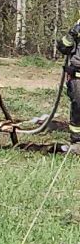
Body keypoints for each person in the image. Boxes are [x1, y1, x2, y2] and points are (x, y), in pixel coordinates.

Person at [56, 18, 80, 151]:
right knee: (78, 109)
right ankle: (77, 142)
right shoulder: (78, 25)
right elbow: (63, 47)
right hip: (78, 77)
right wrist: (72, 34)